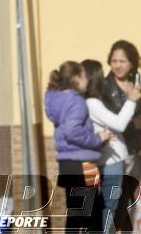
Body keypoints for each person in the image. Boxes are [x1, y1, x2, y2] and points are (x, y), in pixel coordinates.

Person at [45, 61, 111, 233]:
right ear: (75, 78)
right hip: (84, 164)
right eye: (84, 76)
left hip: (68, 164)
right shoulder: (76, 101)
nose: (88, 81)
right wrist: (99, 138)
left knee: (76, 213)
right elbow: (72, 131)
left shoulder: (59, 100)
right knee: (94, 212)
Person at [82, 59, 140, 233]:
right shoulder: (92, 103)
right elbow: (120, 124)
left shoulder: (84, 102)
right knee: (110, 206)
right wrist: (131, 100)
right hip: (110, 161)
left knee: (107, 206)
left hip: (104, 159)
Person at [102, 40, 141, 231]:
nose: (117, 65)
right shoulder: (105, 87)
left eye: (122, 61)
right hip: (118, 155)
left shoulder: (137, 83)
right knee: (119, 201)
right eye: (114, 61)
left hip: (137, 150)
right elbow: (114, 121)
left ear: (132, 63)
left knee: (138, 202)